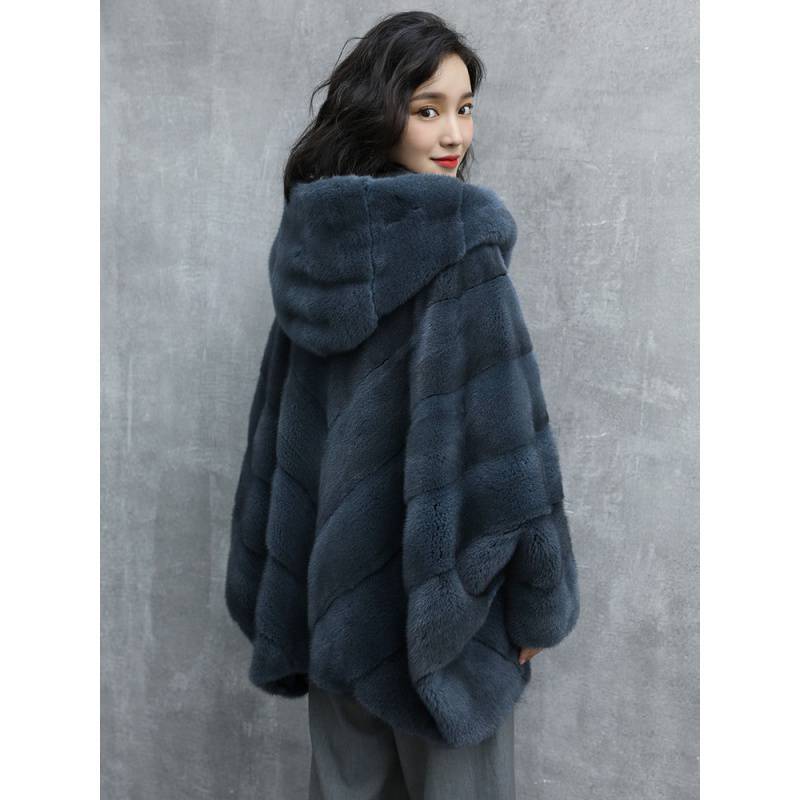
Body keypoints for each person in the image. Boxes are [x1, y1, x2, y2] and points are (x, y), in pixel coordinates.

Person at [224, 11, 580, 799]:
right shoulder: (464, 253)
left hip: (333, 618)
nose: (454, 133)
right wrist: (537, 605)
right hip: (439, 629)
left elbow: (276, 445)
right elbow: (512, 451)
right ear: (381, 112)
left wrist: (268, 592)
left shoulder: (313, 249)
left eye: (464, 107)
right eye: (428, 110)